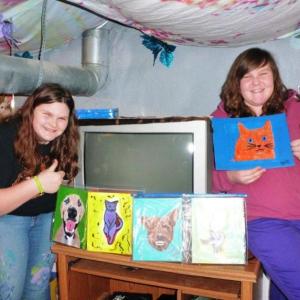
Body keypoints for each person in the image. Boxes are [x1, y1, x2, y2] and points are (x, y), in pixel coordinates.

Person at [211, 48, 300, 300]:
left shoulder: (296, 109)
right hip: (262, 222)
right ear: (237, 83)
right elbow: (203, 178)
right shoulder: (223, 119)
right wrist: (231, 178)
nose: (257, 82)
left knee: (285, 289)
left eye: (263, 74)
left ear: (275, 78)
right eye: (247, 76)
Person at [0, 83, 79, 300]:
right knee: (8, 291)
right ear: (31, 109)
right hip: (9, 221)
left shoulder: (64, 140)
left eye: (61, 118)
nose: (54, 124)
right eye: (47, 114)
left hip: (46, 219)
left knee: (37, 288)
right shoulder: (6, 136)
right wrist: (38, 184)